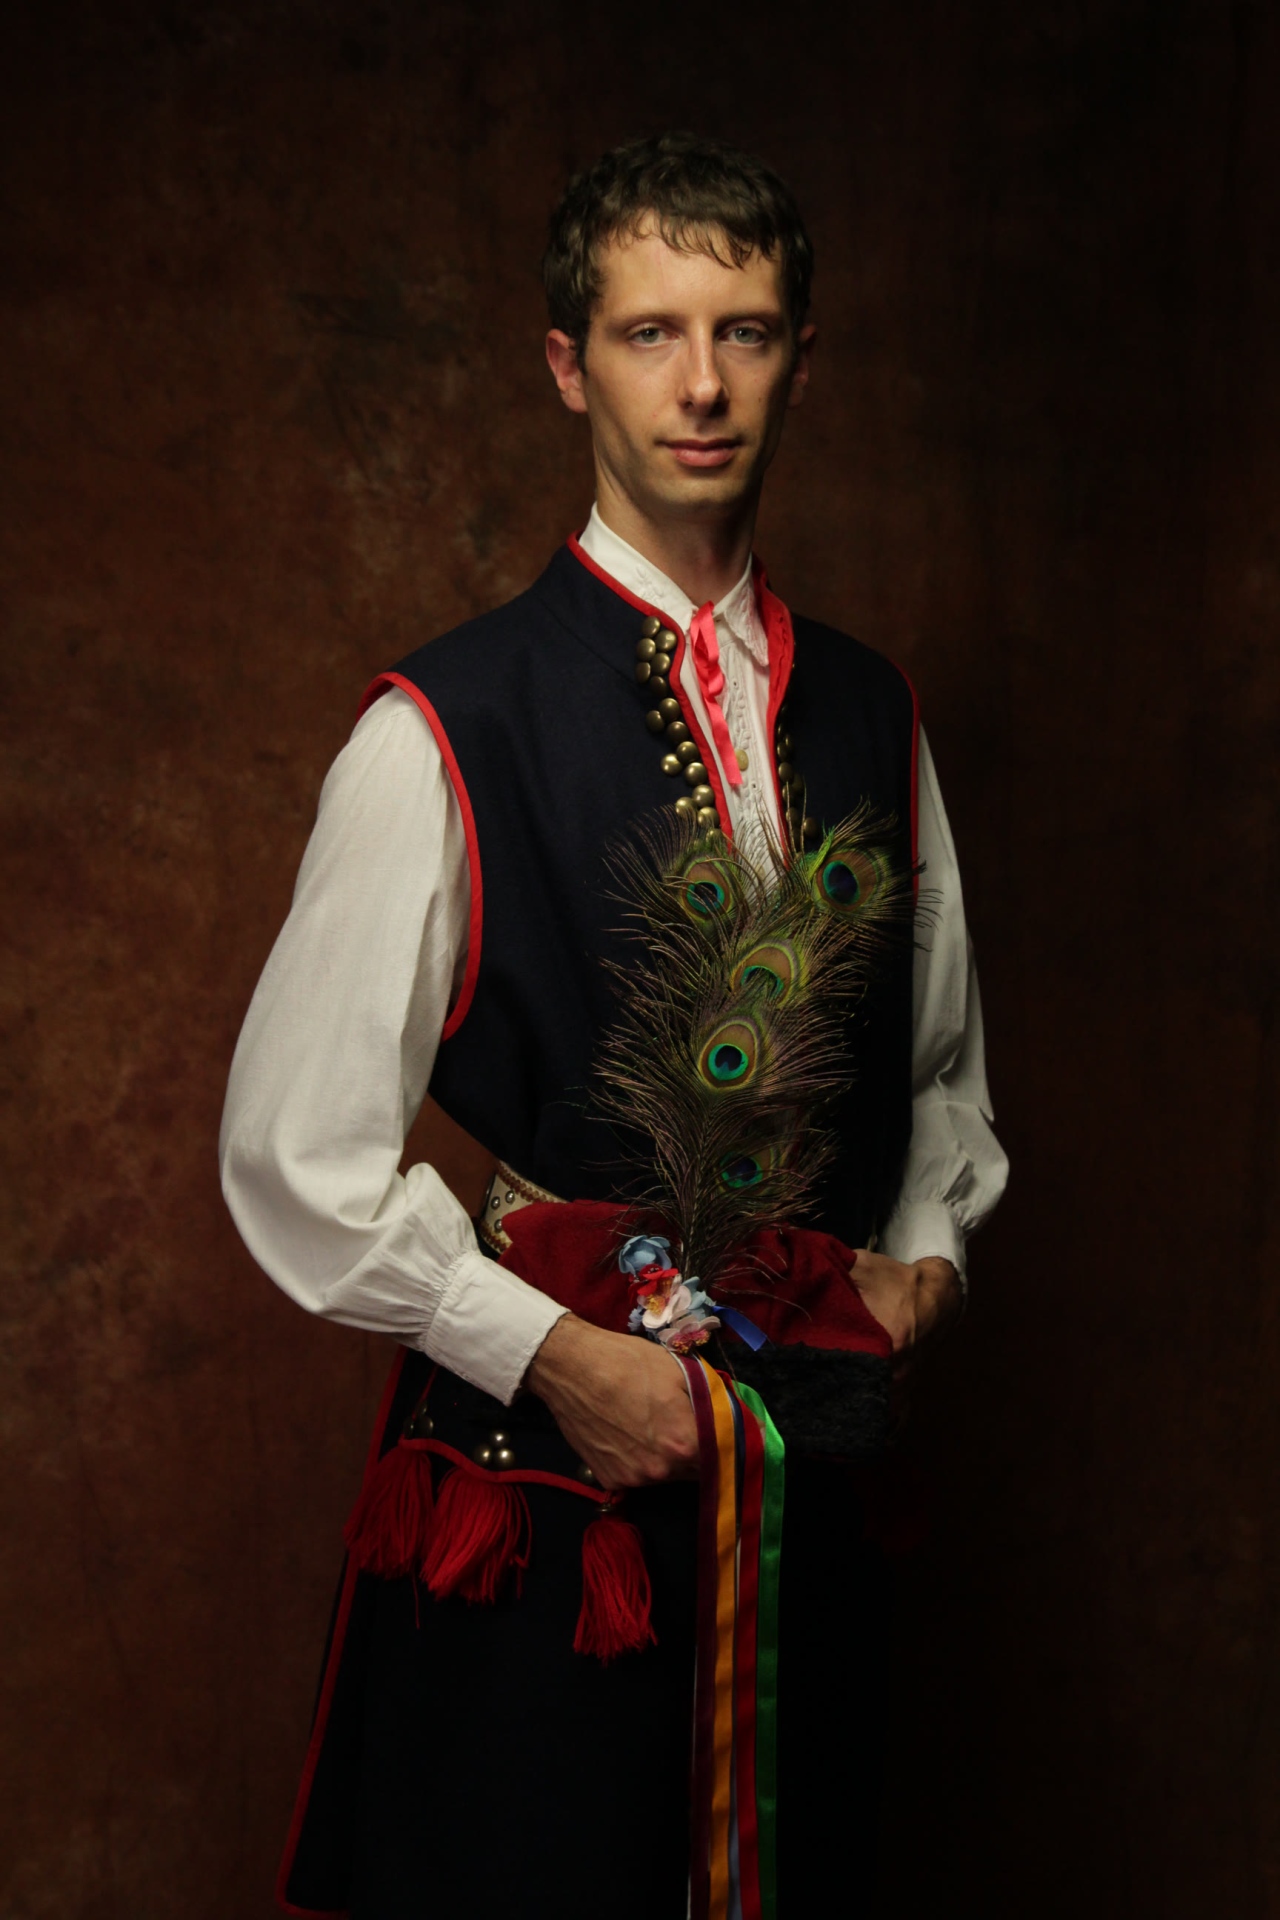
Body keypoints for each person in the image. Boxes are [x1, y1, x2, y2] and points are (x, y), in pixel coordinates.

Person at [221, 130, 1007, 1920]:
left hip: (808, 1470)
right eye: (651, 333)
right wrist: (555, 1358)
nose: (702, 385)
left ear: (801, 357)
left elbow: (941, 1076)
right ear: (569, 365)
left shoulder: (875, 711)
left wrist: (927, 1262)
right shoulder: (445, 721)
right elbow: (292, 1154)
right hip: (551, 1486)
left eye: (745, 332)